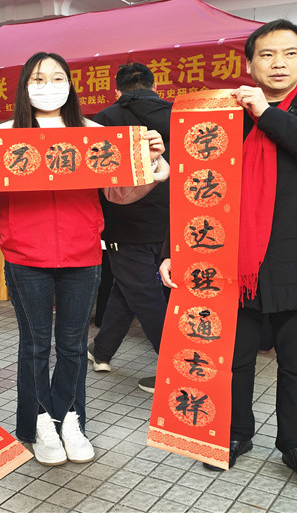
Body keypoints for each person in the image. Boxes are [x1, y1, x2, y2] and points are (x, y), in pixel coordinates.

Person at [0, 52, 169, 467]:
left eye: (56, 77)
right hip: (25, 255)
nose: (47, 85)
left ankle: (69, 418)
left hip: (82, 254)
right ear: (24, 86)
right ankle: (37, 422)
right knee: (35, 346)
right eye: (37, 78)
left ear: (70, 85)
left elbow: (120, 193)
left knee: (72, 345)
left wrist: (150, 158)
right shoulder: (2, 136)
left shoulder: (93, 133)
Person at [160, 19, 297, 495]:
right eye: (266, 54)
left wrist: (265, 113)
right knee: (233, 359)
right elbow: (192, 187)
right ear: (250, 63)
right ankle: (235, 432)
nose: (278, 63)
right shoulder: (222, 114)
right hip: (229, 259)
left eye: (288, 54)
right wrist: (173, 251)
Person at [88, 62, 171, 394]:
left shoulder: (104, 120)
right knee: (128, 289)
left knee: (145, 295)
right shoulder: (178, 116)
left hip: (125, 223)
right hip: (172, 222)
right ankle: (101, 350)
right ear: (155, 86)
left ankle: (176, 365)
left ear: (117, 91)